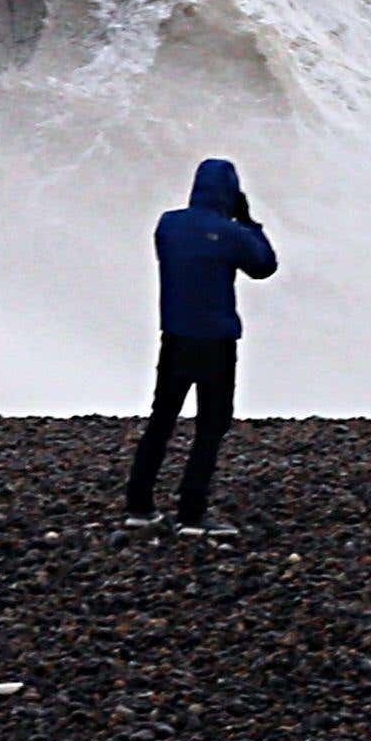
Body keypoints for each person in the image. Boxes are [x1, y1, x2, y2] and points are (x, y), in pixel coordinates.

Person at [122, 158, 277, 532]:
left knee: (161, 421)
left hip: (174, 337)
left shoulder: (168, 225)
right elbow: (264, 265)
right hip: (216, 341)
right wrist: (248, 221)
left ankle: (138, 507)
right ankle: (192, 512)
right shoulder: (231, 233)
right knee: (211, 426)